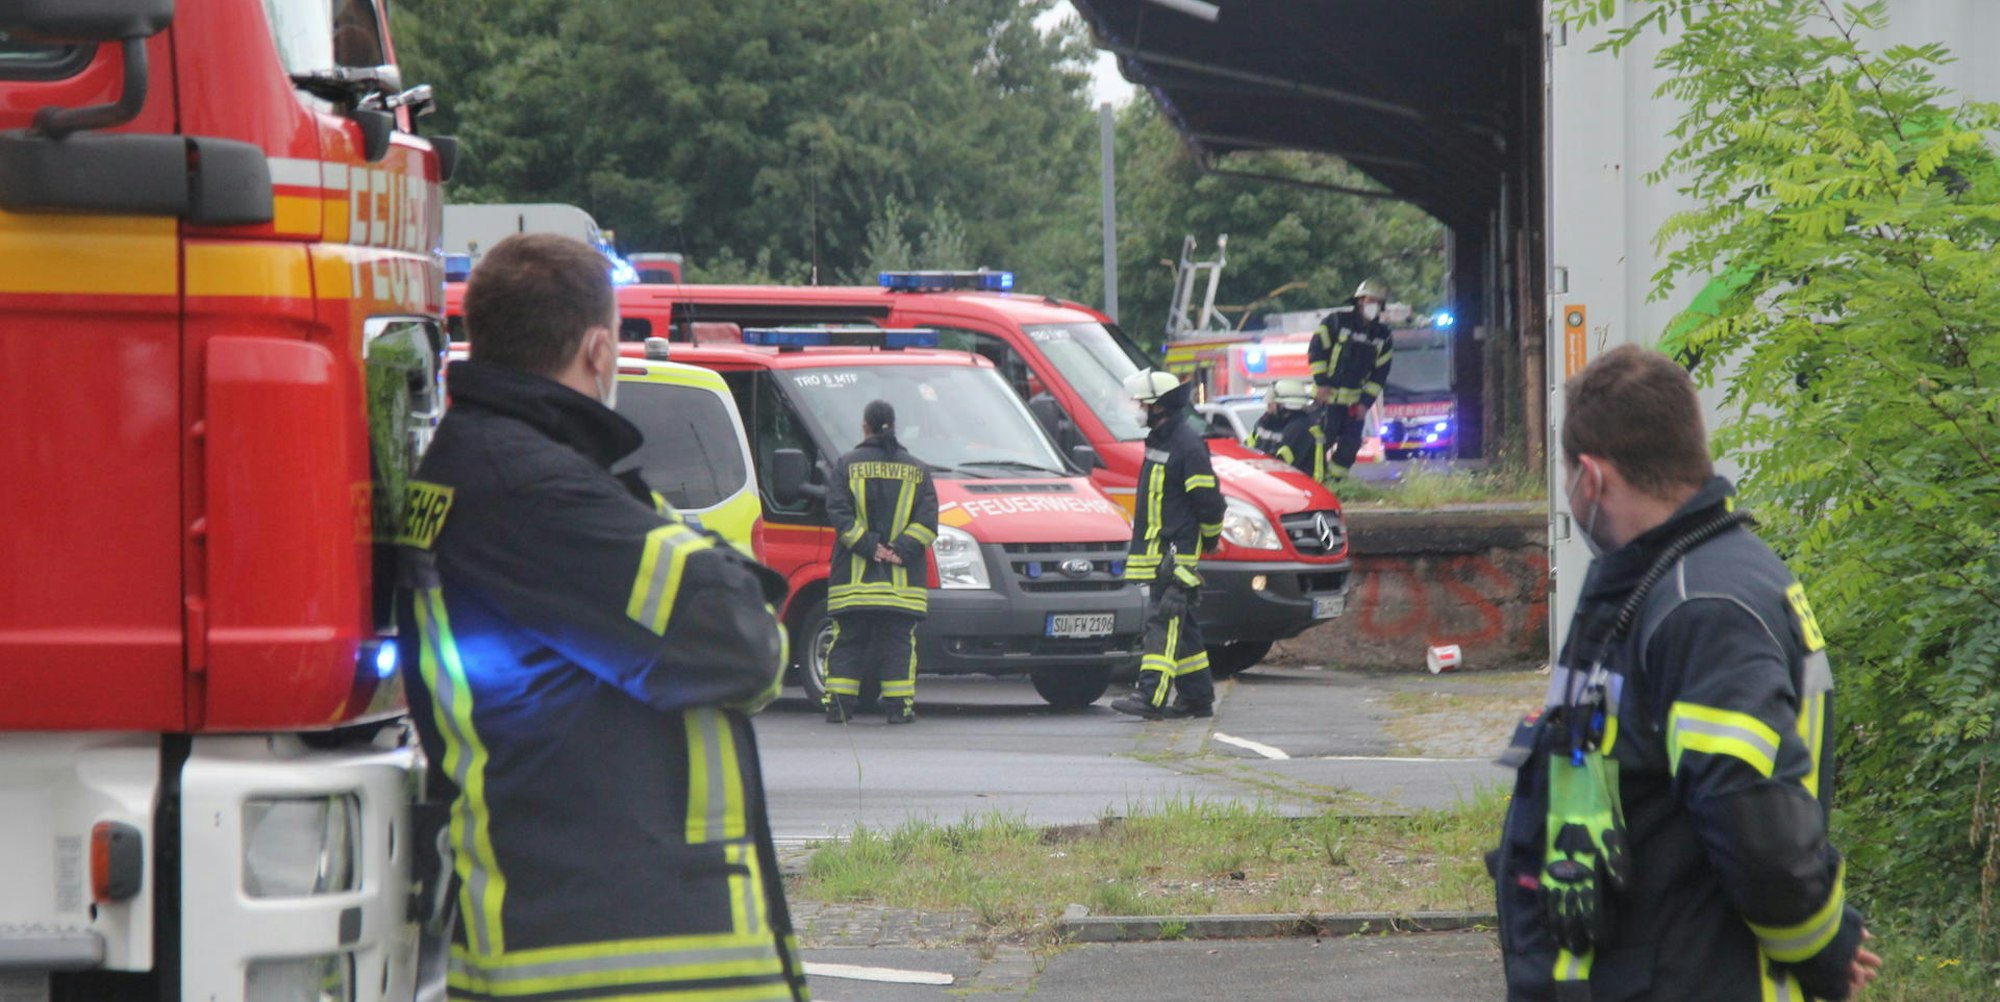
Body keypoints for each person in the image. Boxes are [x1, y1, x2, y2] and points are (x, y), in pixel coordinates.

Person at [396, 234, 808, 1002]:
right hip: (615, 950)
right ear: (597, 350)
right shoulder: (529, 489)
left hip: (590, 931)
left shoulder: (503, 466)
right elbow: (744, 644)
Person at [1492, 345, 1880, 1001]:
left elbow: (1754, 823)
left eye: (1563, 475)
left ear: (1591, 476)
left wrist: (1821, 945)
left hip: (1693, 976)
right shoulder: (1658, 585)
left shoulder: (1702, 607)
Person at [1110, 370, 1226, 720]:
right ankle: (1197, 698)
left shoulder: (1187, 445)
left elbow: (1210, 503)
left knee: (1165, 623)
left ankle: (1150, 696)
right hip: (1160, 553)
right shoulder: (1161, 440)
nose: (1137, 408)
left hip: (1175, 555)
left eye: (1142, 403)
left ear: (1159, 407)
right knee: (1184, 628)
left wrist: (1210, 538)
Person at [823, 399, 939, 724]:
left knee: (847, 642)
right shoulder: (918, 470)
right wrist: (898, 550)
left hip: (853, 582)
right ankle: (899, 709)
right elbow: (927, 523)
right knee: (899, 645)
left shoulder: (846, 465)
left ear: (865, 427)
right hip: (901, 583)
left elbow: (840, 517)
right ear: (894, 426)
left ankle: (839, 708)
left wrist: (871, 547)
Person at [1308, 279, 1394, 481]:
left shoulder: (1382, 336)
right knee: (1320, 443)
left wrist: (1365, 404)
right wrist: (1321, 383)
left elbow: (1379, 375)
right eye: (1371, 300)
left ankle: (1336, 483)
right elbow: (1316, 351)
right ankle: (1314, 483)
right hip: (1327, 400)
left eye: (1378, 302)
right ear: (1359, 300)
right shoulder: (1336, 322)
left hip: (1354, 406)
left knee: (1350, 446)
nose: (1374, 305)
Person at [1256, 378, 1326, 482]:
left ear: (1284, 406)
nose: (1268, 407)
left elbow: (1280, 465)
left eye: (1272, 403)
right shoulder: (1269, 422)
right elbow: (1248, 448)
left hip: (1300, 490)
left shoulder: (1300, 428)